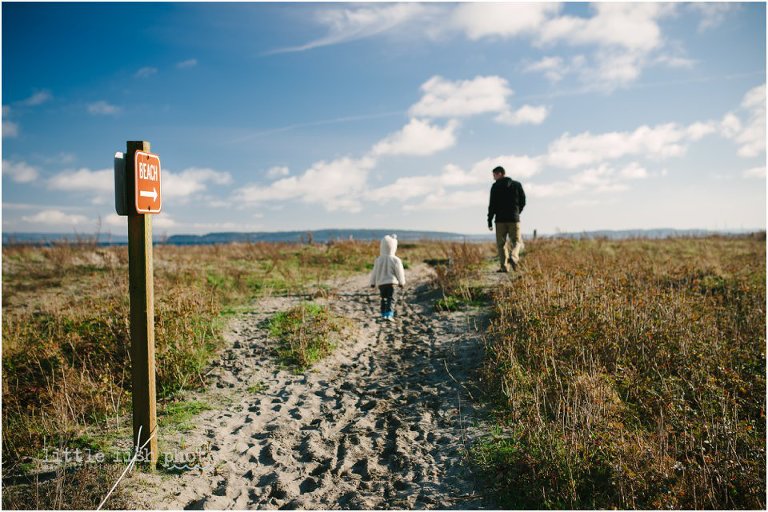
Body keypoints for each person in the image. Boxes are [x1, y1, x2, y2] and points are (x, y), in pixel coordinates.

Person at [487, 166, 526, 272]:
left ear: (500, 173)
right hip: (514, 219)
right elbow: (523, 201)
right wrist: (517, 212)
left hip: (500, 220)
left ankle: (504, 267)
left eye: (494, 175)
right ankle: (514, 257)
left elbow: (492, 205)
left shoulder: (495, 187)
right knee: (516, 241)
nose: (493, 177)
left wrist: (489, 220)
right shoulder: (517, 185)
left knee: (501, 244)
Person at [369, 234, 406, 321]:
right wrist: (401, 282)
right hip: (392, 283)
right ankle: (389, 314)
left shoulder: (378, 259)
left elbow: (374, 272)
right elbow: (400, 272)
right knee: (391, 298)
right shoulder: (396, 259)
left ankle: (383, 314)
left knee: (383, 298)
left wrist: (372, 282)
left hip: (381, 284)